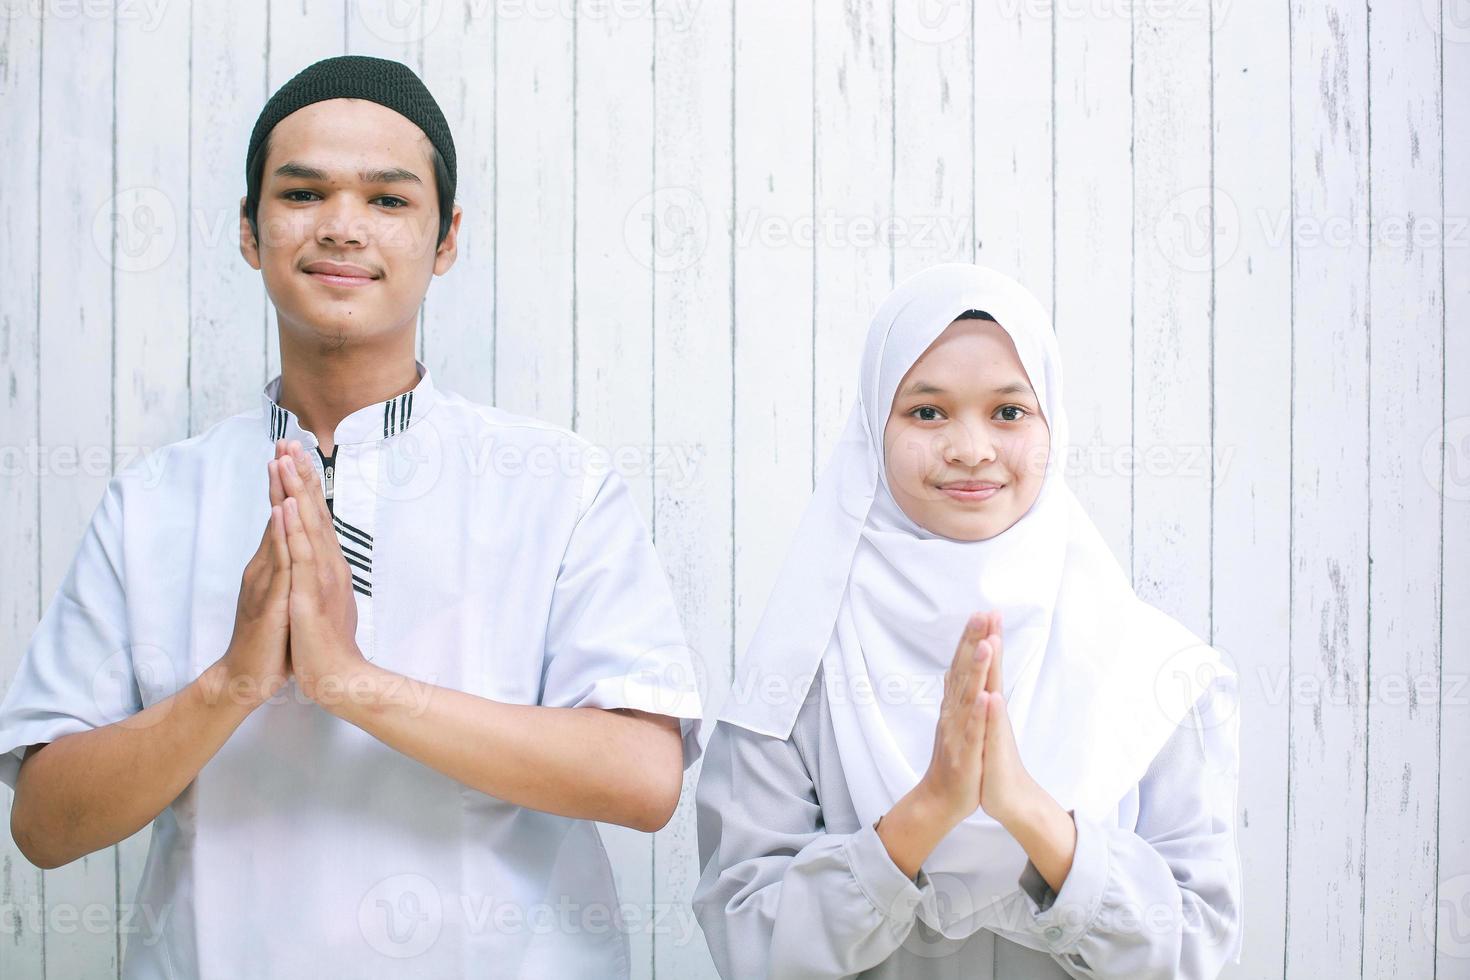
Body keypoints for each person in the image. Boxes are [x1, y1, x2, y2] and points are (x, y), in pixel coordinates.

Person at [0, 55, 702, 978]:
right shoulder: (153, 502)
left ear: (445, 238)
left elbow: (644, 781)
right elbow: (46, 825)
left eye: (387, 200)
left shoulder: (557, 483)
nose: (340, 226)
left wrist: (353, 684)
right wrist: (236, 678)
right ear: (249, 232)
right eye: (302, 192)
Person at [692, 263, 1242, 979]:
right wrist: (929, 809)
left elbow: (1200, 947)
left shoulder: (1156, 673)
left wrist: (1028, 811)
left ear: (1054, 427)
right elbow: (747, 945)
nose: (971, 448)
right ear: (872, 429)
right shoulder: (797, 670)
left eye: (1009, 412)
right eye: (927, 412)